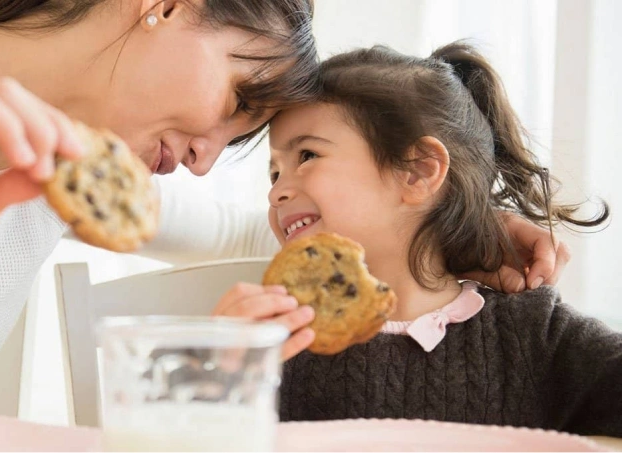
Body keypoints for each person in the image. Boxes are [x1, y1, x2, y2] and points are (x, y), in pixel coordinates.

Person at [0, 0, 566, 443]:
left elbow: (245, 229)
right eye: (235, 101)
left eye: (242, 140)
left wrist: (463, 222)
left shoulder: (66, 160)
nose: (212, 156)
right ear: (166, 6)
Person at [214, 42, 620, 436]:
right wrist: (215, 372)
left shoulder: (533, 334)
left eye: (306, 156)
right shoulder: (269, 342)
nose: (276, 192)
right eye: (274, 173)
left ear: (418, 172)